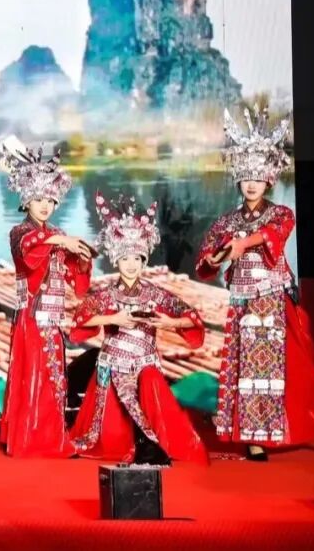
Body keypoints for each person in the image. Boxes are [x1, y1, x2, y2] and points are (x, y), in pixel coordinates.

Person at [196, 107, 314, 460]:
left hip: (272, 297)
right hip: (241, 301)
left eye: (258, 178)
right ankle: (252, 435)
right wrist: (215, 258)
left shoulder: (280, 214)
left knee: (284, 367)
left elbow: (273, 235)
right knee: (246, 368)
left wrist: (242, 244)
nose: (252, 184)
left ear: (269, 180)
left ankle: (288, 426)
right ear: (239, 181)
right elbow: (206, 260)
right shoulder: (226, 221)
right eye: (246, 178)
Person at [69, 192, 208, 464]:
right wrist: (113, 319)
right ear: (116, 261)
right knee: (107, 438)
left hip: (145, 364)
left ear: (144, 261)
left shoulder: (155, 294)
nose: (131, 265)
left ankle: (151, 440)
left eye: (136, 259)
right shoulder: (106, 295)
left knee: (151, 380)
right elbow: (79, 321)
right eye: (125, 259)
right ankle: (141, 441)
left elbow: (192, 318)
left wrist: (169, 323)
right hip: (113, 365)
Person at [0, 145, 92, 458]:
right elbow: (29, 248)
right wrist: (61, 241)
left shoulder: (57, 233)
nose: (45, 206)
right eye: (39, 199)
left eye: (51, 200)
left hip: (53, 319)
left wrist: (81, 259)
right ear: (27, 200)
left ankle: (51, 436)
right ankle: (28, 438)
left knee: (54, 378)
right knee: (34, 376)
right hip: (30, 318)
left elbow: (72, 277)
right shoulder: (20, 232)